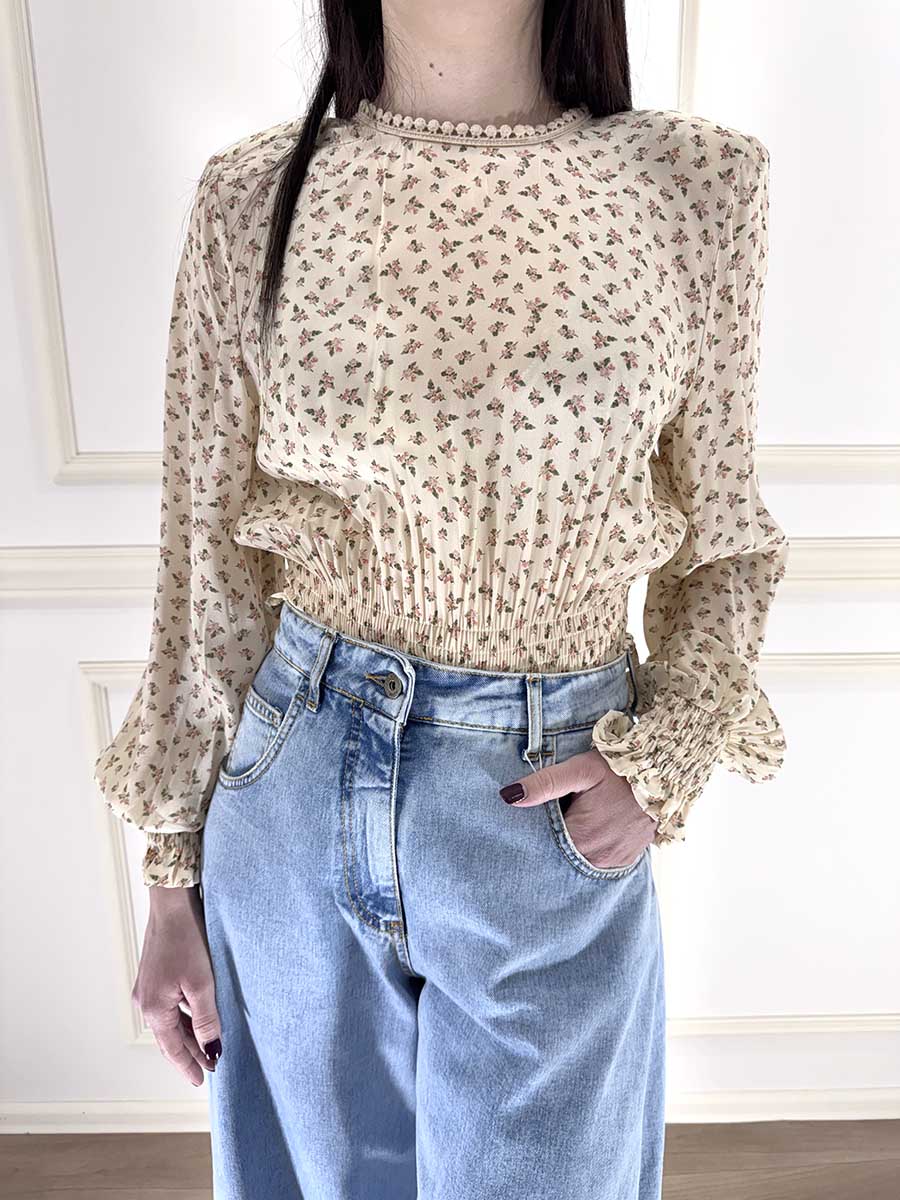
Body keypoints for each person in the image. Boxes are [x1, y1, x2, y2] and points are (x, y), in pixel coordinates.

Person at [93, 1, 788, 1196]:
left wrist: (660, 761)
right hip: (293, 793)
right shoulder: (252, 198)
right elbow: (205, 562)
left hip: (542, 811)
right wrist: (168, 878)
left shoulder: (692, 186)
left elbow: (721, 539)